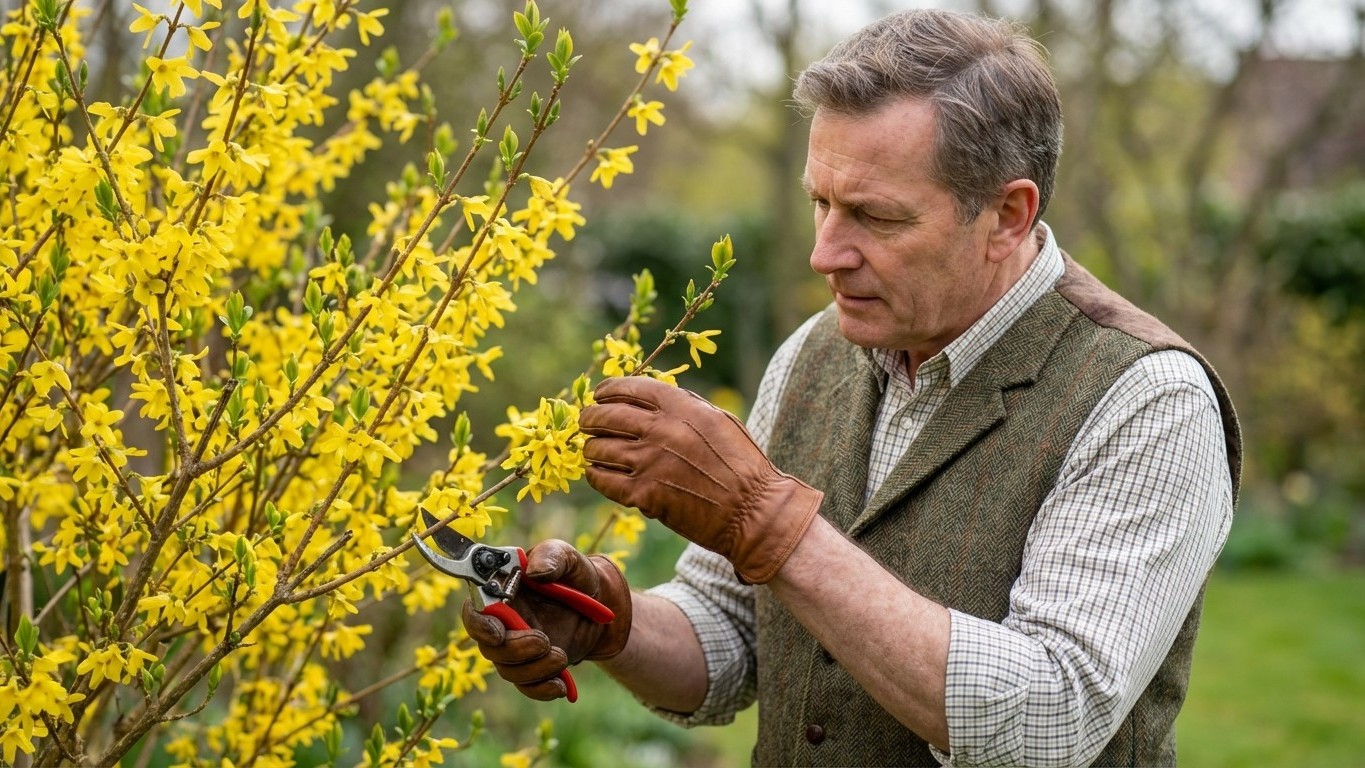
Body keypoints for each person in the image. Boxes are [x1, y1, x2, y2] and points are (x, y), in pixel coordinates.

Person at [462, 8, 1241, 766]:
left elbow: (1049, 720)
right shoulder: (814, 353)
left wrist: (769, 523)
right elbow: (733, 631)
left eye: (873, 216)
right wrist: (614, 628)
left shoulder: (1146, 400)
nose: (825, 253)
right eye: (820, 203)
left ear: (1007, 214)